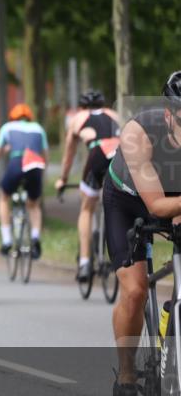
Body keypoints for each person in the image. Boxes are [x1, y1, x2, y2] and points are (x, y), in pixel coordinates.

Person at [105, 72, 181, 396]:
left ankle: (171, 326)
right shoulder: (138, 134)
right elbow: (156, 206)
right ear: (169, 115)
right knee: (135, 290)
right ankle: (126, 377)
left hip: (175, 199)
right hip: (128, 202)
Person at [54, 90, 121, 281]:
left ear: (82, 107)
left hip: (98, 153)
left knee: (86, 209)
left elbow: (69, 154)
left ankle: (84, 263)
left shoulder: (78, 118)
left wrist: (63, 179)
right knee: (119, 205)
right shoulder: (114, 114)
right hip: (120, 154)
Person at [0, 103, 49, 260]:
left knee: (3, 196)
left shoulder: (7, 127)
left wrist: (5, 151)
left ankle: (6, 240)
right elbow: (46, 157)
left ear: (13, 118)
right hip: (35, 164)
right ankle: (35, 238)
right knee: (34, 204)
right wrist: (42, 176)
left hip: (17, 162)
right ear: (29, 118)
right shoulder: (39, 129)